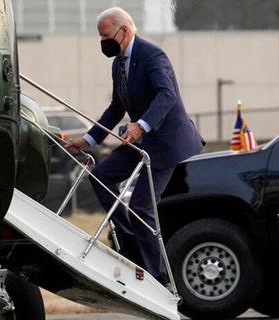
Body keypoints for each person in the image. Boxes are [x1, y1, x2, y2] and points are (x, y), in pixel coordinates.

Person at [64, 6, 205, 287]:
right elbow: (116, 108)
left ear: (124, 30)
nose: (102, 42)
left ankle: (157, 276)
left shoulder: (152, 55)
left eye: (105, 35)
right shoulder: (118, 64)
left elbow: (167, 94)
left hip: (166, 143)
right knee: (101, 176)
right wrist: (89, 140)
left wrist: (140, 124)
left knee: (141, 205)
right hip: (142, 141)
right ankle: (132, 244)